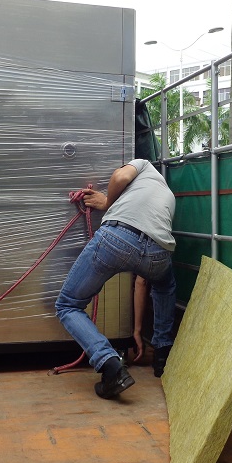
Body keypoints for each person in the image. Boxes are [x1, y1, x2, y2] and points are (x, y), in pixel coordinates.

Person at [55, 159, 177, 399]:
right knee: (165, 285)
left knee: (67, 304)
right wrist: (137, 330)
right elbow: (142, 280)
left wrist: (107, 202)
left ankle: (109, 364)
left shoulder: (143, 164)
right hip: (159, 254)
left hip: (117, 238)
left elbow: (120, 178)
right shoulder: (167, 195)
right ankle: (162, 354)